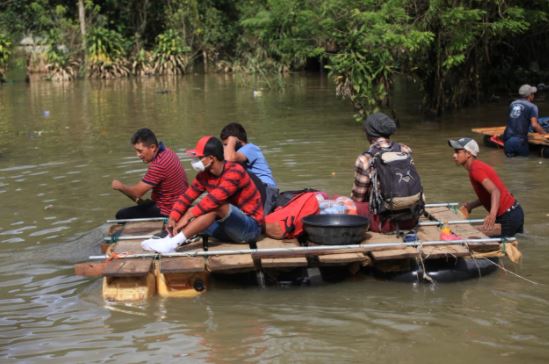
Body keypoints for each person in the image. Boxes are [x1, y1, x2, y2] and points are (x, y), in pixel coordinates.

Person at [141, 136, 264, 253]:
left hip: (250, 230)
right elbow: (186, 198)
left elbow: (214, 200)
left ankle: (172, 244)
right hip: (227, 228)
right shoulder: (204, 176)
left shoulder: (235, 171)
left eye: (199, 158)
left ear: (211, 158)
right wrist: (173, 217)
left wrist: (188, 216)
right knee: (188, 210)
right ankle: (170, 238)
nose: (195, 161)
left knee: (214, 206)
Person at [351, 112, 422, 233]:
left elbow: (358, 198)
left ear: (368, 134)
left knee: (344, 203)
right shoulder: (405, 150)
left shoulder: (365, 159)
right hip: (412, 219)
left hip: (385, 223)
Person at [448, 137, 524, 237]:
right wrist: (470, 206)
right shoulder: (475, 168)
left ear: (468, 154)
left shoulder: (476, 169)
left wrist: (492, 215)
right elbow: (488, 195)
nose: (454, 155)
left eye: (458, 152)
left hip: (508, 216)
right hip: (514, 212)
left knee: (468, 236)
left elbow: (495, 192)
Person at [111, 128, 188, 219]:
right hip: (181, 204)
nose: (138, 155)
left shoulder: (158, 165)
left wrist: (120, 186)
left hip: (169, 211)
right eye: (136, 151)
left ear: (152, 147)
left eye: (140, 151)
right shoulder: (167, 151)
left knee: (121, 214)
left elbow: (137, 193)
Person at [220, 122, 278, 213]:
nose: (226, 148)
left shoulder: (250, 148)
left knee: (236, 172)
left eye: (226, 145)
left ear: (237, 141)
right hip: (255, 189)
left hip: (267, 189)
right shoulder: (236, 153)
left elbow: (229, 159)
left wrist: (231, 141)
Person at [502, 84, 547, 157]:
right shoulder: (532, 107)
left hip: (507, 140)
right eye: (533, 94)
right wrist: (544, 134)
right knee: (523, 163)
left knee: (511, 164)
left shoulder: (512, 104)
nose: (534, 95)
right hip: (519, 141)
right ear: (530, 96)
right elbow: (534, 125)